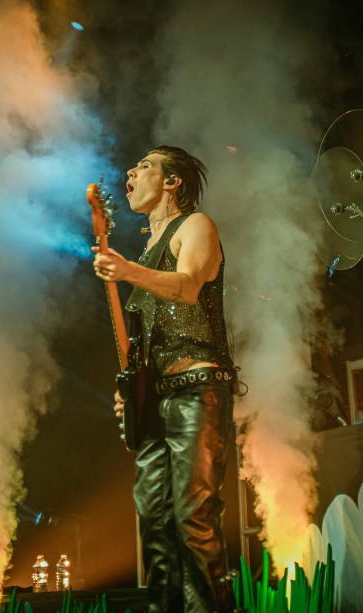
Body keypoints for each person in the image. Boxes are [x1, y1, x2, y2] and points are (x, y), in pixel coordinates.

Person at [92, 145, 236, 612]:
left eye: (145, 166)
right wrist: (130, 391)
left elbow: (188, 286)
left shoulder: (195, 226)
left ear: (172, 182)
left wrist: (127, 271)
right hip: (155, 401)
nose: (130, 172)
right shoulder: (147, 250)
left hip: (197, 390)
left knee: (194, 517)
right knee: (155, 524)